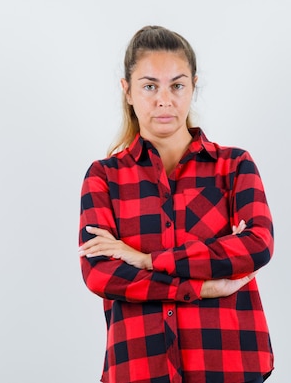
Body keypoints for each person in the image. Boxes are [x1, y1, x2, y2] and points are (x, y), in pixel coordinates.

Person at [78, 25, 274, 383]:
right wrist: (201, 285)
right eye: (150, 86)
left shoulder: (234, 166)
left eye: (177, 85)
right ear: (128, 91)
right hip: (139, 367)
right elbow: (101, 273)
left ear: (193, 87)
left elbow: (256, 246)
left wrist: (147, 260)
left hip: (228, 364)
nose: (164, 100)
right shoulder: (104, 177)